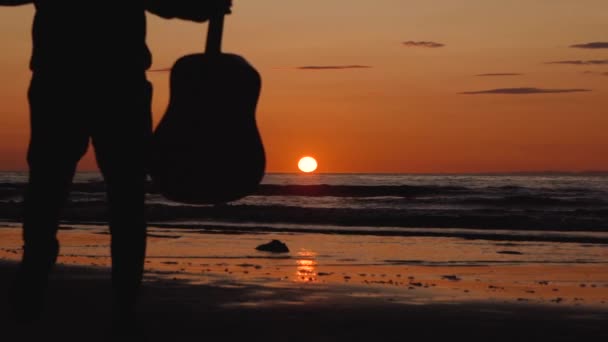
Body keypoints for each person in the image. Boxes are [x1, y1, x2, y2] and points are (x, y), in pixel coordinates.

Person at [1, 0, 232, 330]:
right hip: (111, 84)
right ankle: (119, 304)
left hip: (66, 81)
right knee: (123, 198)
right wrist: (201, 9)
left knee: (51, 190)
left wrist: (200, 8)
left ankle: (33, 292)